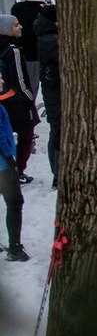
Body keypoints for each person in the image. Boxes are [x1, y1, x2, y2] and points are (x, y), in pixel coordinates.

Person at [0, 14, 38, 185]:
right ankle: (18, 171)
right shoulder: (13, 50)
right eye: (16, 25)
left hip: (3, 98)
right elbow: (20, 79)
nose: (20, 27)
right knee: (26, 136)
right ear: (7, 31)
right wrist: (30, 99)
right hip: (17, 102)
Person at [0, 81, 27, 261]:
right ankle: (15, 248)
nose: (2, 81)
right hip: (3, 164)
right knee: (15, 202)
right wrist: (9, 157)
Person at [34, 5, 61, 188]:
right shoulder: (51, 40)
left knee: (57, 131)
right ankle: (58, 173)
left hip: (53, 91)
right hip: (55, 94)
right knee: (58, 133)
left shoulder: (46, 35)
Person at [10, 0, 45, 101]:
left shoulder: (17, 8)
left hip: (21, 50)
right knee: (34, 82)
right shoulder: (41, 11)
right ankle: (31, 105)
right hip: (35, 53)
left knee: (25, 81)